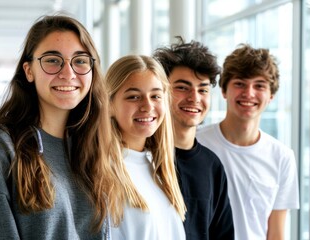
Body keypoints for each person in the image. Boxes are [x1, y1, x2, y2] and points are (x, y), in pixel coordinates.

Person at [0, 15, 122, 239]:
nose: (68, 73)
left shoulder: (92, 144)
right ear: (29, 71)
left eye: (81, 60)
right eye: (53, 60)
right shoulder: (1, 146)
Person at [196, 43, 300, 240]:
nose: (249, 93)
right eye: (240, 83)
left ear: (271, 96)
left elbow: (276, 234)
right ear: (224, 90)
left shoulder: (282, 157)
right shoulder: (196, 142)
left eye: (259, 85)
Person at [153, 37, 234, 240]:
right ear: (162, 90)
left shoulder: (212, 165)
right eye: (182, 87)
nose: (195, 97)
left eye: (203, 90)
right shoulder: (142, 157)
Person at [105, 55, 186, 240]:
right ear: (109, 104)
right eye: (133, 97)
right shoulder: (101, 172)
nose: (147, 106)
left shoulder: (158, 169)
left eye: (156, 96)